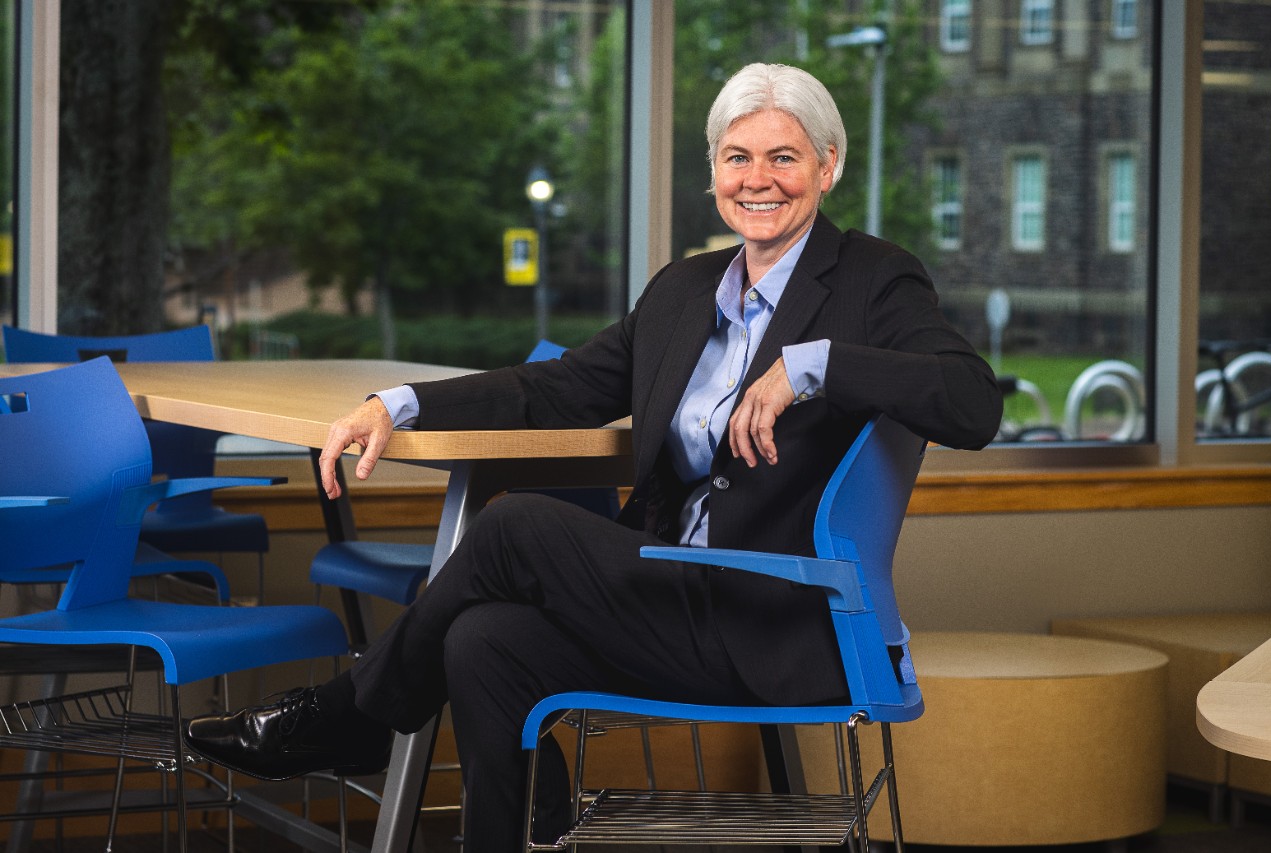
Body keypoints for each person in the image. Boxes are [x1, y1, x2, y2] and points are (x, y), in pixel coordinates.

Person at [185, 62, 1003, 850]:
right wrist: (398, 404)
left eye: (784, 157)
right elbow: (559, 388)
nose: (760, 179)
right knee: (482, 641)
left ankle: (356, 713)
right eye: (737, 157)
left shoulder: (875, 281)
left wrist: (811, 363)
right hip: (669, 599)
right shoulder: (685, 291)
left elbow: (973, 403)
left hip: (777, 617)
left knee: (513, 529)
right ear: (713, 172)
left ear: (828, 167)